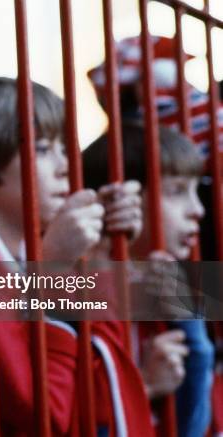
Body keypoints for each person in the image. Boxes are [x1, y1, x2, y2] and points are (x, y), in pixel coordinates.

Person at [0, 77, 151, 436]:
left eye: (66, 148)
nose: (66, 166)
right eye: (44, 149)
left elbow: (98, 391)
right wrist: (53, 271)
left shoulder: (24, 247)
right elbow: (44, 412)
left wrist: (102, 254)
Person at [84, 121, 215, 437]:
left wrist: (190, 328)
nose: (197, 210)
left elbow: (194, 427)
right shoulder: (78, 284)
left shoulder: (163, 284)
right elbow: (73, 419)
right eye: (177, 192)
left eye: (196, 191)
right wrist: (143, 385)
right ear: (126, 199)